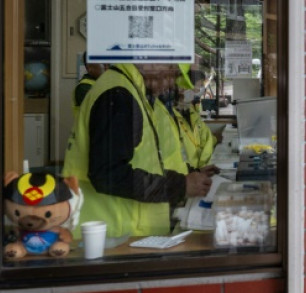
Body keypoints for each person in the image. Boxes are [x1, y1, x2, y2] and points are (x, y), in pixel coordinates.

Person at [62, 63, 212, 239]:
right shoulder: (119, 94)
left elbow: (149, 161)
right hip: (111, 234)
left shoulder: (134, 92)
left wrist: (189, 175)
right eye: (171, 73)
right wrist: (180, 185)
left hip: (126, 233)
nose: (171, 83)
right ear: (150, 62)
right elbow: (108, 173)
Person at [72, 52, 107, 118]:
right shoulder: (84, 87)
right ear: (89, 68)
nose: (106, 67)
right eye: (102, 64)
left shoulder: (103, 83)